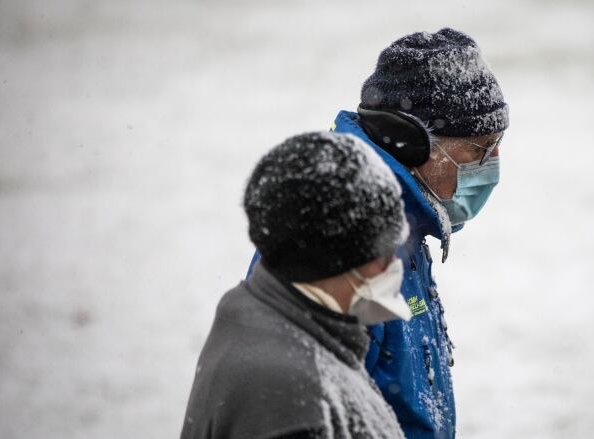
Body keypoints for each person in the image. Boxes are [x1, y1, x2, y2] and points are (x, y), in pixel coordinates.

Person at [247, 27, 509, 439]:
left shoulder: (404, 223)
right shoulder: (341, 243)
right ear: (411, 144)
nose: (493, 164)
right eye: (479, 148)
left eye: (498, 145)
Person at [182, 132, 411, 439]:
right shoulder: (291, 399)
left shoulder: (257, 312)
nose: (393, 264)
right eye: (383, 251)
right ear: (334, 259)